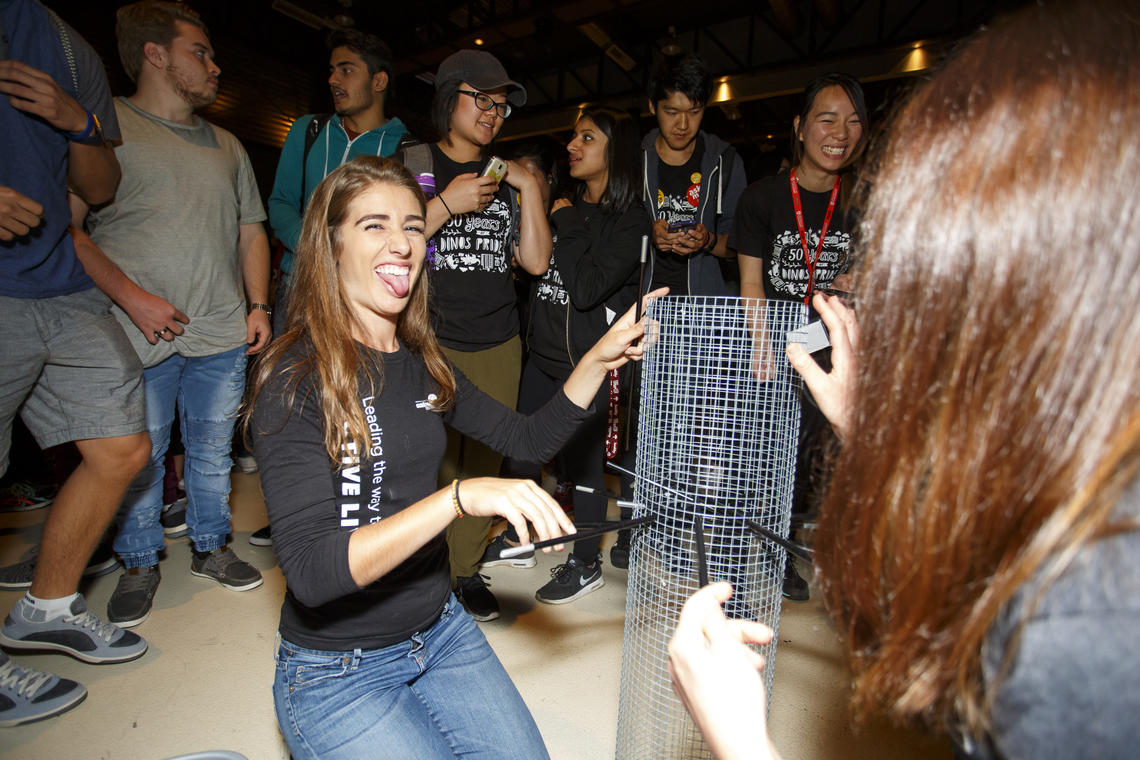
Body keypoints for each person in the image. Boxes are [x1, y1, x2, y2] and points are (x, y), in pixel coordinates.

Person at [670, 2, 1140, 758]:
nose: (842, 135)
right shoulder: (765, 198)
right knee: (778, 463)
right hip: (791, 351)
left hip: (841, 348)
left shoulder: (1084, 627)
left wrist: (737, 738)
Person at [246, 155, 659, 760]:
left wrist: (596, 360)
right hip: (337, 671)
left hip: (437, 632)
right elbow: (312, 573)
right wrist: (459, 498)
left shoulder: (422, 361)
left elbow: (529, 440)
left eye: (414, 227)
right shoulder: (294, 378)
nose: (402, 244)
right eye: (374, 226)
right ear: (330, 247)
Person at [75, 0, 271, 628]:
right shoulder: (107, 131)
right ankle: (139, 560)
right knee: (141, 454)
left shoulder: (228, 144)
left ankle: (212, 547)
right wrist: (131, 298)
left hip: (218, 329)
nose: (215, 67)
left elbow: (251, 231)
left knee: (213, 450)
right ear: (155, 54)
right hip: (134, 333)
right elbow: (71, 232)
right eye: (201, 53)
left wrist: (259, 304)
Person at [0, 0, 149, 727]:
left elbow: (99, 188)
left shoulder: (66, 45)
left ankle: (48, 605)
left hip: (59, 283)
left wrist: (77, 122)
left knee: (122, 446)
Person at [399, 49, 553, 621]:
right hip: (429, 340)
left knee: (484, 467)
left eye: (501, 105)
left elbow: (535, 262)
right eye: (481, 99)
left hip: (497, 341)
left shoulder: (507, 179)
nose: (493, 112)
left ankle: (463, 573)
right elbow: (392, 241)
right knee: (427, 464)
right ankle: (419, 572)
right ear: (448, 99)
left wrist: (531, 188)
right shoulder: (413, 161)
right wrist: (445, 202)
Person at [251, 28, 409, 548]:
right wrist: (324, 254)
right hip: (300, 290)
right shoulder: (309, 129)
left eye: (347, 69)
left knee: (359, 399)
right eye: (332, 69)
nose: (333, 79)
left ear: (379, 80)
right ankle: (300, 512)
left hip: (366, 303)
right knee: (297, 398)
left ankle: (357, 513)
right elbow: (279, 205)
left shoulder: (404, 144)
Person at [485, 107, 650, 604]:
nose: (572, 146)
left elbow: (587, 288)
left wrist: (565, 220)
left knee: (582, 468)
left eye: (587, 138)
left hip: (592, 364)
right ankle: (520, 537)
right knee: (521, 451)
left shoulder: (632, 219)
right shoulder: (570, 202)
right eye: (573, 135)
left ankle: (585, 563)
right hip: (544, 355)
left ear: (614, 151)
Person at [728, 72, 868, 601]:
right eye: (828, 118)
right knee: (753, 456)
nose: (841, 132)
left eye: (854, 121)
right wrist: (762, 346)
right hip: (767, 345)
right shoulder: (762, 198)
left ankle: (782, 552)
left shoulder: (862, 202)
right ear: (800, 127)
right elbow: (748, 280)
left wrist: (862, 279)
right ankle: (735, 561)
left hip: (831, 358)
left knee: (805, 461)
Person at [642, 53, 747, 298]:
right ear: (652, 106)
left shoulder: (725, 162)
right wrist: (649, 234)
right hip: (642, 304)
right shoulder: (636, 162)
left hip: (704, 313)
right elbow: (615, 237)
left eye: (694, 111)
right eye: (671, 112)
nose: (683, 124)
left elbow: (738, 243)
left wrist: (707, 241)